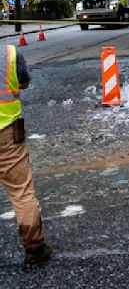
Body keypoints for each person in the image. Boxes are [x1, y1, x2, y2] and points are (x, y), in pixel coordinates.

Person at [0, 44, 52, 266]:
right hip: (6, 134)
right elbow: (24, 81)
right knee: (21, 191)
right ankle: (35, 248)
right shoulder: (10, 54)